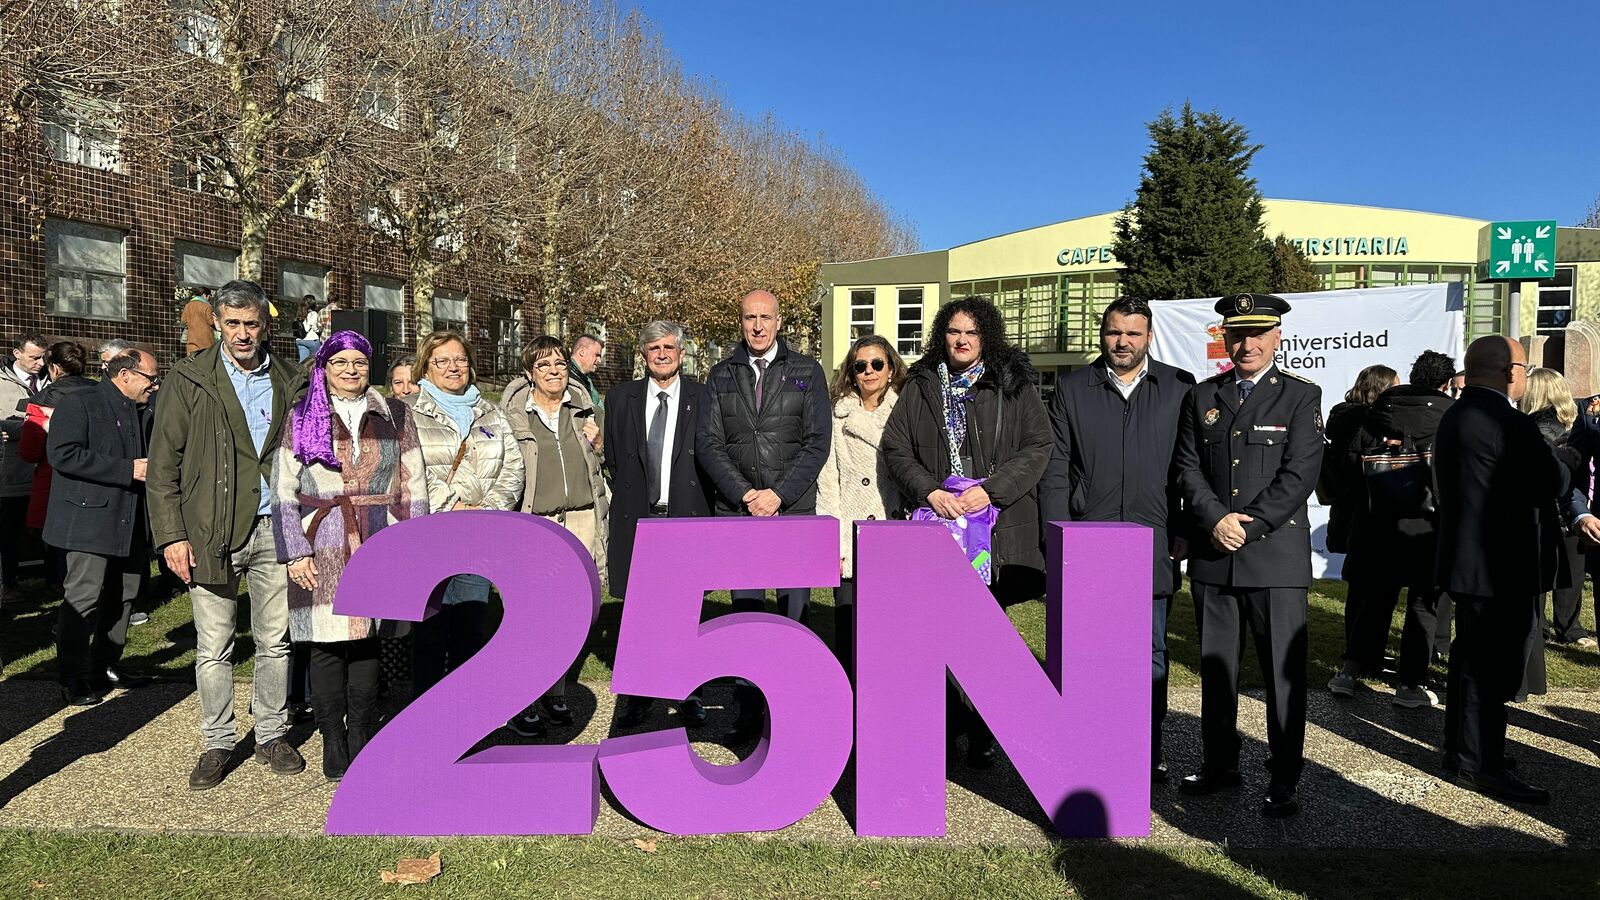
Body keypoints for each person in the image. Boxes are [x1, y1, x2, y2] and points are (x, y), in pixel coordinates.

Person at [148, 279, 309, 790]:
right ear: (216, 322)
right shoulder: (189, 378)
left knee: (274, 642)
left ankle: (272, 733)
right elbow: (163, 463)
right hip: (210, 531)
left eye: (252, 323)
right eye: (233, 323)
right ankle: (218, 740)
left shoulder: (290, 377)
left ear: (266, 325)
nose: (243, 333)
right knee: (214, 645)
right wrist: (172, 535)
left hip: (275, 528)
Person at [881, 295, 1052, 768]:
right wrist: (928, 490)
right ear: (942, 334)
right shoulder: (921, 385)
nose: (961, 340)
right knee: (937, 634)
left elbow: (1039, 446)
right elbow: (896, 447)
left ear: (986, 337)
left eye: (971, 333)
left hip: (993, 532)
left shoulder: (1012, 384)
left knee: (985, 637)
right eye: (954, 331)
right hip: (938, 527)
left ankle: (983, 732)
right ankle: (944, 730)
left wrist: (993, 491)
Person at [1172, 292, 1322, 819]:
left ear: (1277, 338)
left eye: (1258, 334)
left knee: (1282, 674)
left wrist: (1248, 525)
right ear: (1224, 339)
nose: (1246, 344)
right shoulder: (1204, 395)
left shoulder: (1300, 397)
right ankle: (1221, 766)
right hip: (1217, 556)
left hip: (1274, 559)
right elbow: (1188, 467)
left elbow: (1300, 474)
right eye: (1237, 335)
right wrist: (1215, 519)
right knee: (1217, 671)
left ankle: (1284, 777)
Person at [1039, 297, 1195, 782]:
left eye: (1132, 333)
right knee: (1090, 654)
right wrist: (1059, 536)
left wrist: (1186, 528)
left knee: (1150, 655)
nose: (1122, 342)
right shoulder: (1070, 388)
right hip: (1090, 544)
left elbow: (1191, 468)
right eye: (1113, 332)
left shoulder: (1177, 387)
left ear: (1149, 336)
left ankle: (1146, 752)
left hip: (1154, 543)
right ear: (1101, 333)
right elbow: (1057, 470)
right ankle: (1089, 748)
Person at [271, 331, 428, 781]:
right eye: (340, 362)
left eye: (359, 361)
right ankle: (331, 737)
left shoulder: (394, 413)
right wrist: (295, 551)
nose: (351, 370)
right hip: (321, 539)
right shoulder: (303, 415)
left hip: (380, 537)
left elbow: (413, 482)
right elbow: (283, 490)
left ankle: (358, 731)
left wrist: (410, 546)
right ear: (324, 367)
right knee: (325, 644)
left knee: (367, 641)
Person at [1435, 336, 1570, 805]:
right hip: (1499, 564)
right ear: (1509, 370)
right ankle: (1481, 762)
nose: (1525, 375)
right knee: (1491, 670)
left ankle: (1463, 750)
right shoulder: (1504, 420)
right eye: (1524, 367)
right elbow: (1554, 479)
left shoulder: (1454, 415)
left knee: (1471, 662)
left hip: (1467, 560)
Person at [697, 289, 831, 743]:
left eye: (765, 317)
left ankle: (793, 708)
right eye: (749, 317)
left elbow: (816, 443)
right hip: (739, 512)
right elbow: (709, 443)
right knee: (746, 615)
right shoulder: (720, 374)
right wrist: (746, 493)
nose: (757, 326)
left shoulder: (806, 372)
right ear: (740, 321)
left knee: (794, 615)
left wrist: (778, 494)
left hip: (792, 510)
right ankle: (748, 709)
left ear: (779, 321)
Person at [1330, 351, 1456, 708]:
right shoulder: (1449, 415)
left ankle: (1348, 674)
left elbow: (1351, 463)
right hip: (1426, 526)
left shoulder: (1377, 411)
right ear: (1446, 383)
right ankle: (1410, 685)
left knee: (1375, 600)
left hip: (1376, 520)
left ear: (1414, 376)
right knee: (1422, 604)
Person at [605, 321, 716, 728]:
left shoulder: (704, 397)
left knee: (689, 612)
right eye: (654, 347)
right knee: (639, 613)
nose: (663, 354)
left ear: (682, 353)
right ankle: (637, 694)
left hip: (686, 516)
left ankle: (689, 694)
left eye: (670, 347)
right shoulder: (620, 398)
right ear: (644, 353)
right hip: (639, 518)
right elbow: (615, 461)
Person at [409, 331, 524, 712]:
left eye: (459, 359)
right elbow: (408, 470)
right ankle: (425, 712)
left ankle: (465, 711)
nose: (452, 367)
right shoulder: (408, 411)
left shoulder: (492, 412)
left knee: (471, 626)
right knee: (430, 626)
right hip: (432, 533)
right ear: (426, 366)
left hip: (480, 535)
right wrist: (453, 507)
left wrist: (488, 509)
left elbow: (513, 466)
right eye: (441, 360)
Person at [501, 335, 608, 734]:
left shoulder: (583, 409)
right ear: (529, 372)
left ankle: (556, 691)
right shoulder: (513, 416)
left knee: (571, 614)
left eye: (560, 364)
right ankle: (524, 697)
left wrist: (599, 443)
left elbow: (603, 460)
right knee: (530, 613)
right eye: (544, 366)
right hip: (537, 523)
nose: (554, 372)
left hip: (581, 518)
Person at [44, 349, 160, 705]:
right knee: (84, 598)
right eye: (150, 379)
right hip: (88, 522)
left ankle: (105, 665)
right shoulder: (80, 403)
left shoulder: (143, 410)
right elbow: (62, 454)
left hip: (129, 521)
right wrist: (127, 469)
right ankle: (73, 675)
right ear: (125, 374)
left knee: (123, 597)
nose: (154, 386)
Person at [816, 334, 908, 681]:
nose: (869, 371)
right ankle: (851, 712)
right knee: (850, 633)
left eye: (877, 364)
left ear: (890, 369)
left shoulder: (907, 412)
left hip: (893, 534)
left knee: (893, 633)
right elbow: (829, 483)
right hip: (851, 537)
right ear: (851, 373)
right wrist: (836, 544)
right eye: (860, 366)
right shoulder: (838, 416)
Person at [1323, 364, 1400, 691]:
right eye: (1395, 386)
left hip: (1350, 512)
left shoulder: (1343, 417)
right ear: (1381, 388)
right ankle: (1361, 658)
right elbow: (1361, 467)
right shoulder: (1370, 422)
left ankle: (1365, 655)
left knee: (1360, 589)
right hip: (1369, 514)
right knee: (1375, 591)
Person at [1518, 366, 1588, 697]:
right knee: (1570, 574)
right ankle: (1569, 627)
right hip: (1572, 512)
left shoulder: (1529, 429)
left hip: (1547, 514)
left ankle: (1544, 627)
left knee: (1543, 576)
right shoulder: (1575, 428)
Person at [18, 343, 96, 593]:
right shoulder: (103, 393)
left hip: (55, 480)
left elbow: (29, 452)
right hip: (98, 475)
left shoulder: (40, 402)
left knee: (61, 544)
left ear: (53, 368)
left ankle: (66, 597)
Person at [0, 333, 50, 603]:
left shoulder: (50, 379)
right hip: (12, 471)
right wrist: (34, 427)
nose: (40, 363)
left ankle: (54, 580)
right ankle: (8, 584)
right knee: (9, 530)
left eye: (43, 357)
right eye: (34, 357)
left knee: (49, 529)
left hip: (45, 470)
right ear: (17, 354)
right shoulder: (2, 383)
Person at [568, 333, 606, 414]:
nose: (599, 360)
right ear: (582, 351)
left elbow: (599, 407)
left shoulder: (586, 379)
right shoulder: (563, 376)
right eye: (597, 355)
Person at [182, 287, 217, 356]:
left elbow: (183, 320)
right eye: (209, 296)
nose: (209, 299)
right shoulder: (207, 306)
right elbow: (211, 322)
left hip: (191, 340)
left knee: (192, 361)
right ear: (204, 295)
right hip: (206, 340)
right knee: (206, 361)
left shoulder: (188, 305)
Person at [296, 296, 324, 363]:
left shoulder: (299, 313)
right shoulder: (313, 314)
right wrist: (320, 330)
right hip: (312, 340)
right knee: (315, 362)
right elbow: (315, 328)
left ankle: (302, 373)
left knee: (303, 362)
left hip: (300, 340)